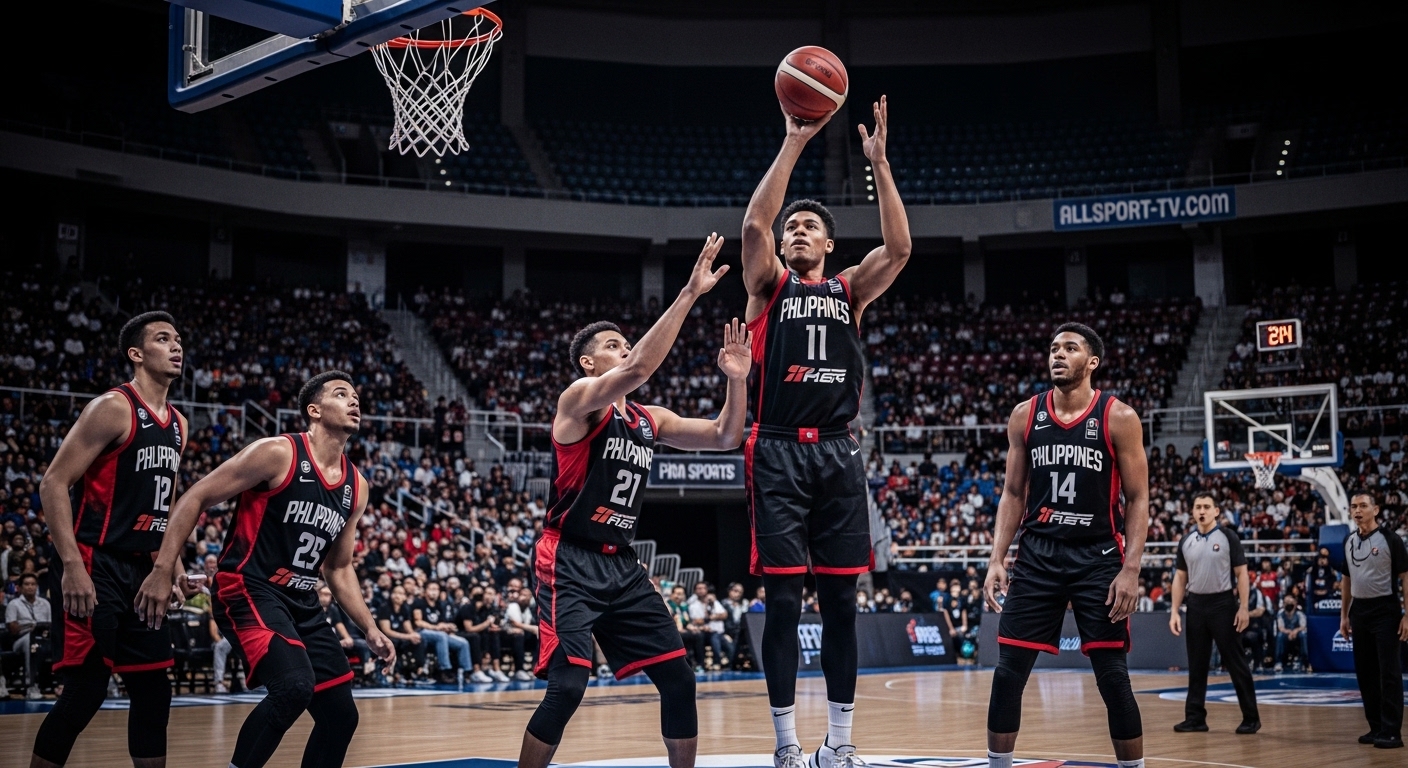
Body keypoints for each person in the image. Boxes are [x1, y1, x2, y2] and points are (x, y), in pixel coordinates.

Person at [518, 233, 748, 768]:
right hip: (569, 558)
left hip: (621, 565)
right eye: (614, 345)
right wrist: (689, 293)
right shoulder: (577, 402)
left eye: (626, 342)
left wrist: (737, 380)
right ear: (587, 364)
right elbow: (640, 368)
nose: (625, 348)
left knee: (679, 677)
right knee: (570, 685)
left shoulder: (649, 420)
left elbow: (724, 437)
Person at [740, 96, 911, 768]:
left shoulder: (850, 290)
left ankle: (839, 745)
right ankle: (785, 744)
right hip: (777, 447)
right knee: (782, 600)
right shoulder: (768, 287)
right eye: (795, 227)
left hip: (839, 454)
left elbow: (899, 247)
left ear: (832, 244)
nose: (799, 231)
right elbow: (755, 222)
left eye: (811, 226)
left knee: (842, 599)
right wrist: (793, 140)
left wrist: (880, 165)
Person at [134, 370, 395, 768]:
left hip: (302, 601)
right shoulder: (278, 452)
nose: (355, 401)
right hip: (248, 587)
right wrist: (164, 567)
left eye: (357, 395)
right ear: (315, 410)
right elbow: (194, 498)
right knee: (293, 687)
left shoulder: (356, 486)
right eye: (342, 394)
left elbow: (339, 568)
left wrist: (370, 627)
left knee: (341, 716)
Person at [982, 323, 1150, 768]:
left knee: (1113, 678)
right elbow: (1013, 493)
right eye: (1054, 347)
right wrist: (997, 558)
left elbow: (1138, 498)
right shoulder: (1025, 414)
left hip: (1098, 557)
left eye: (1070, 348)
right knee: (1007, 674)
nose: (1058, 354)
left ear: (1092, 362)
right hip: (1038, 555)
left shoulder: (1118, 417)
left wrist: (1130, 568)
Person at [31, 311, 188, 768]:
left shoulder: (178, 423)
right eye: (163, 339)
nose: (176, 346)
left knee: (154, 690)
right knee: (85, 691)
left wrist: (174, 569)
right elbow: (53, 483)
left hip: (142, 568)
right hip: (92, 560)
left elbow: (166, 507)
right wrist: (73, 567)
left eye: (178, 339)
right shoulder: (114, 407)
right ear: (136, 354)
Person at [1167, 492, 1259, 734]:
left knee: (1235, 662)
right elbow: (1180, 578)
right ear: (1193, 511)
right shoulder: (1186, 540)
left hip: (1223, 604)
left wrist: (1243, 607)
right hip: (1195, 604)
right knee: (1196, 664)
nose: (1202, 511)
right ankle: (1195, 717)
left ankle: (1251, 717)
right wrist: (1174, 611)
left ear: (1216, 511)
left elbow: (1241, 574)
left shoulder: (1228, 537)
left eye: (1207, 507)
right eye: (1198, 506)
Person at [1339, 490, 1408, 749]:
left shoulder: (1391, 539)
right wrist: (1344, 615)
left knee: (1389, 672)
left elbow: (1405, 577)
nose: (1357, 510)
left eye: (1363, 506)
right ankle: (1376, 726)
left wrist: (1407, 615)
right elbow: (1346, 580)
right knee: (1365, 672)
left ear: (1375, 509)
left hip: (1386, 610)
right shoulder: (1348, 541)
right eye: (1354, 506)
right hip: (1360, 611)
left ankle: (1392, 731)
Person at [412, 580, 472, 683]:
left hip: (438, 633)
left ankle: (465, 672)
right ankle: (444, 670)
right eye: (431, 589)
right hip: (422, 632)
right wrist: (436, 627)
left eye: (436, 589)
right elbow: (418, 622)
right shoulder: (419, 602)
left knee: (463, 643)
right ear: (425, 591)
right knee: (441, 636)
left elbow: (442, 623)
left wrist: (448, 627)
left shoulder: (440, 604)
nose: (434, 592)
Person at [5, 572, 51, 700]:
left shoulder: (45, 603)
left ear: (37, 586)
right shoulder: (14, 604)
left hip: (44, 638)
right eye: (26, 584)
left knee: (59, 639)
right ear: (20, 587)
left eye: (33, 584)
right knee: (32, 641)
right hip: (21, 640)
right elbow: (13, 629)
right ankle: (31, 686)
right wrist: (32, 626)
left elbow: (50, 625)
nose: (30, 587)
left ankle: (62, 684)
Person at [504, 587, 538, 681]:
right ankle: (519, 670)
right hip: (505, 635)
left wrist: (534, 629)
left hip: (520, 635)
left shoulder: (527, 610)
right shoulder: (513, 606)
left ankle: (534, 667)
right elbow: (516, 624)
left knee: (537, 637)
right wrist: (533, 628)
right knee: (519, 635)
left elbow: (524, 627)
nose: (524, 598)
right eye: (523, 595)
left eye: (527, 596)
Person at [1273, 596, 1307, 672]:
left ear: (1295, 603)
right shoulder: (1280, 614)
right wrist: (1289, 632)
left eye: (1290, 602)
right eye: (1286, 602)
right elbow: (1280, 627)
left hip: (1297, 633)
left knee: (1303, 635)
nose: (1288, 604)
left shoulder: (1299, 613)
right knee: (1280, 635)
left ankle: (1303, 662)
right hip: (1286, 634)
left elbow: (1303, 626)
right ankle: (1279, 662)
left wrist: (1295, 631)